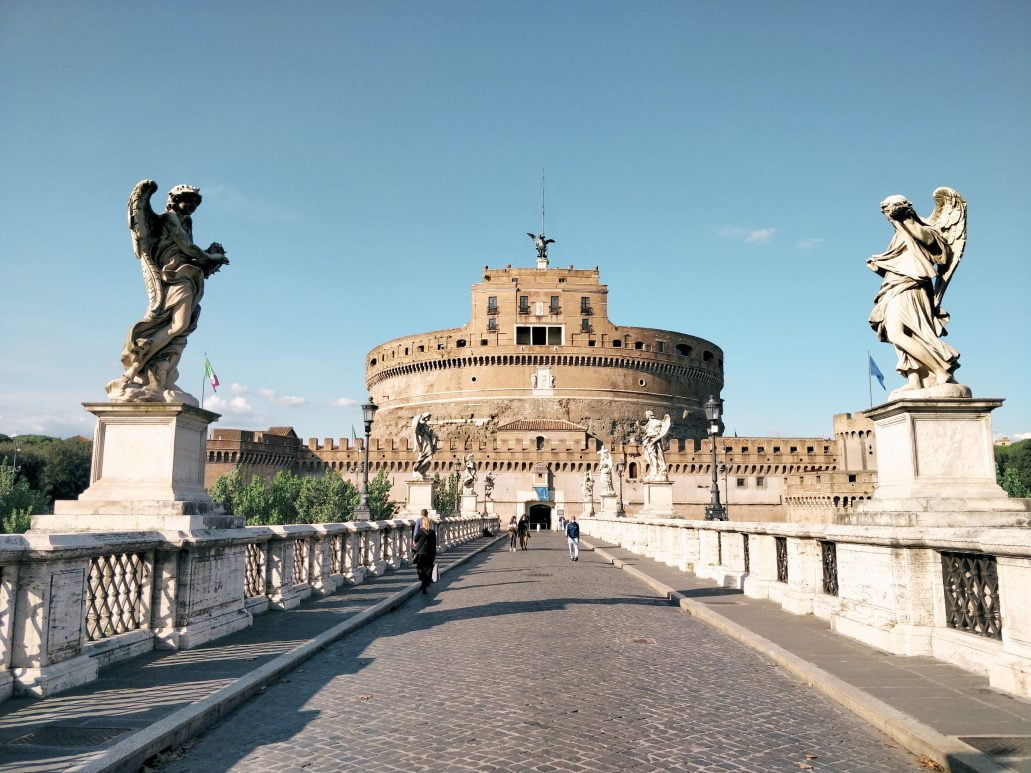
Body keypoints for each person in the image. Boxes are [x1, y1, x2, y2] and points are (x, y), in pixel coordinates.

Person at [867, 193, 962, 391]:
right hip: (894, 285)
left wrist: (907, 220)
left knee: (901, 332)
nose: (887, 215)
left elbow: (931, 244)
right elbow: (902, 261)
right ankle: (915, 379)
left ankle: (941, 369)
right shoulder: (898, 235)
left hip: (911, 286)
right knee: (901, 333)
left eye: (888, 210)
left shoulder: (921, 228)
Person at [412, 512, 437, 594]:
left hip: (422, 553)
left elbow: (415, 540)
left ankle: (423, 581)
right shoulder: (433, 533)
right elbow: (434, 544)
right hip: (431, 553)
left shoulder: (420, 531)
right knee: (428, 569)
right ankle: (425, 583)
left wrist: (415, 544)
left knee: (420, 568)